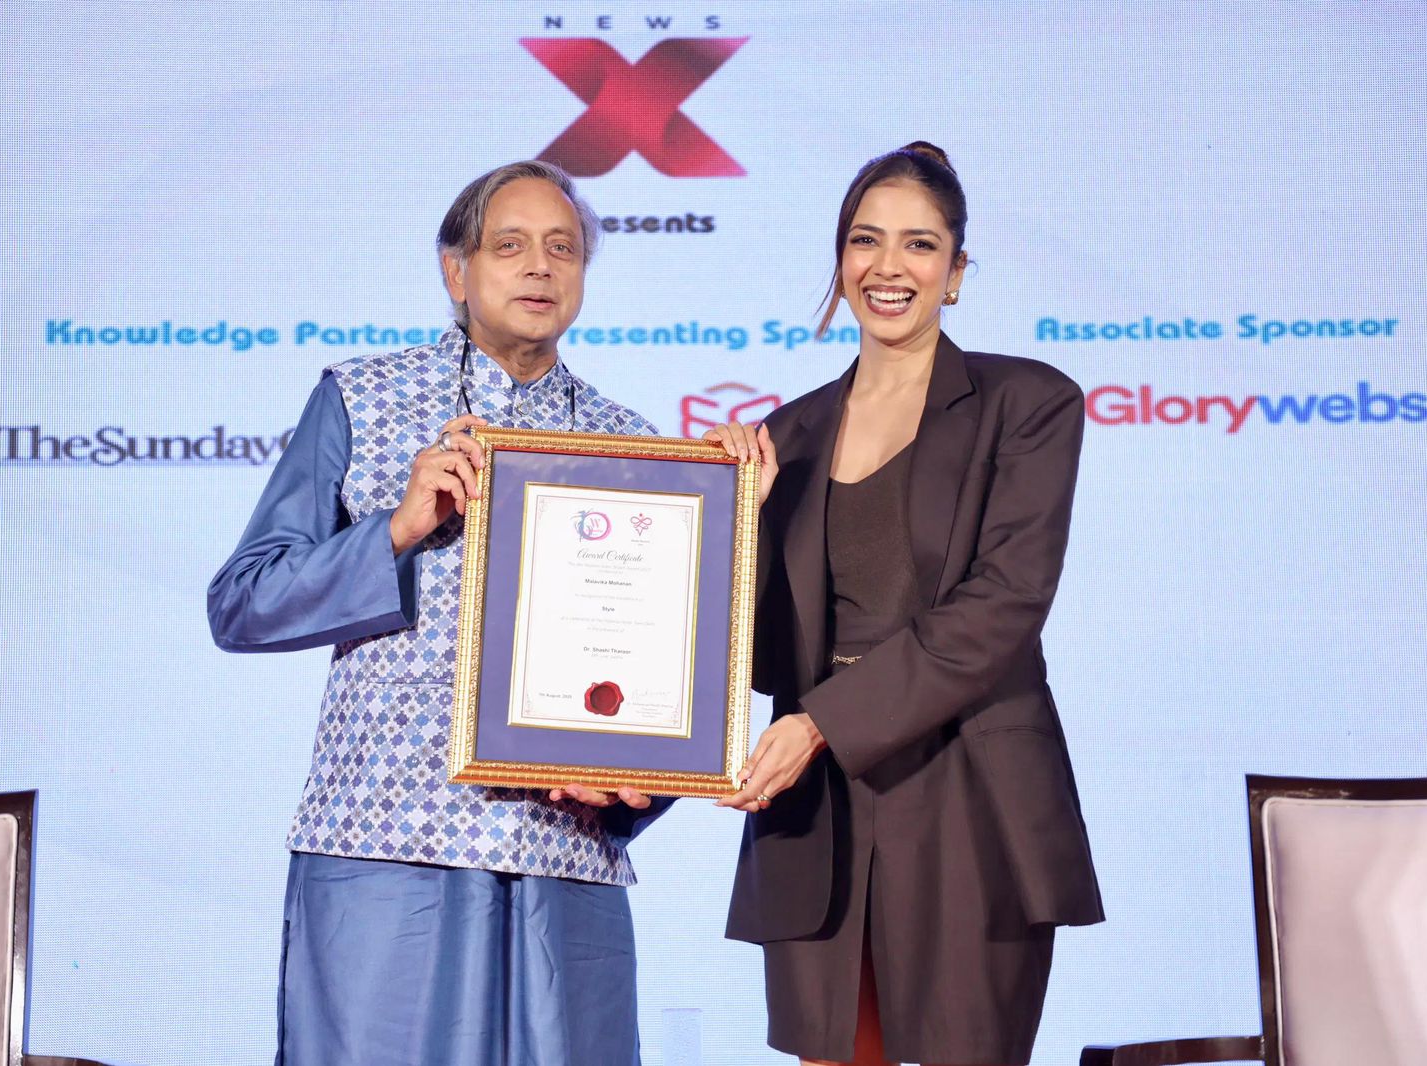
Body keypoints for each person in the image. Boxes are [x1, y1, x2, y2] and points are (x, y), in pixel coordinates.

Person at [207, 160, 669, 1066]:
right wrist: (397, 529)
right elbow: (244, 601)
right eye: (510, 245)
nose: (539, 266)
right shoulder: (363, 397)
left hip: (561, 859)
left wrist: (640, 784)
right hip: (386, 848)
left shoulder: (635, 447)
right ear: (456, 272)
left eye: (562, 248)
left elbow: (656, 682)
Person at [709, 142, 1104, 1066]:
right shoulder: (786, 435)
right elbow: (766, 657)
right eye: (866, 240)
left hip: (968, 794)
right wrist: (741, 529)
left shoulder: (1028, 403)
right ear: (841, 261)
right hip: (818, 810)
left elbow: (1004, 604)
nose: (889, 267)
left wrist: (821, 725)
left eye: (920, 245)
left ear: (955, 273)